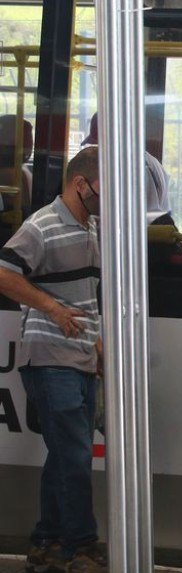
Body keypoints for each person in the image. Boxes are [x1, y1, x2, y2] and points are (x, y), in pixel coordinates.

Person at [0, 146, 106, 573]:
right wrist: (52, 308)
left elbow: (88, 296)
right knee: (76, 454)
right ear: (79, 183)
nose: (106, 199)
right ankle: (80, 546)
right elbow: (4, 272)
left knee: (65, 453)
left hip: (81, 357)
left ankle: (45, 542)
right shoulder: (41, 226)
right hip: (48, 356)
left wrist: (97, 346)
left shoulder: (93, 226)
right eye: (102, 189)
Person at [81, 113, 172, 224]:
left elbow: (144, 218)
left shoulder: (135, 167)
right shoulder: (147, 160)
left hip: (145, 236)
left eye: (100, 143)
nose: (99, 149)